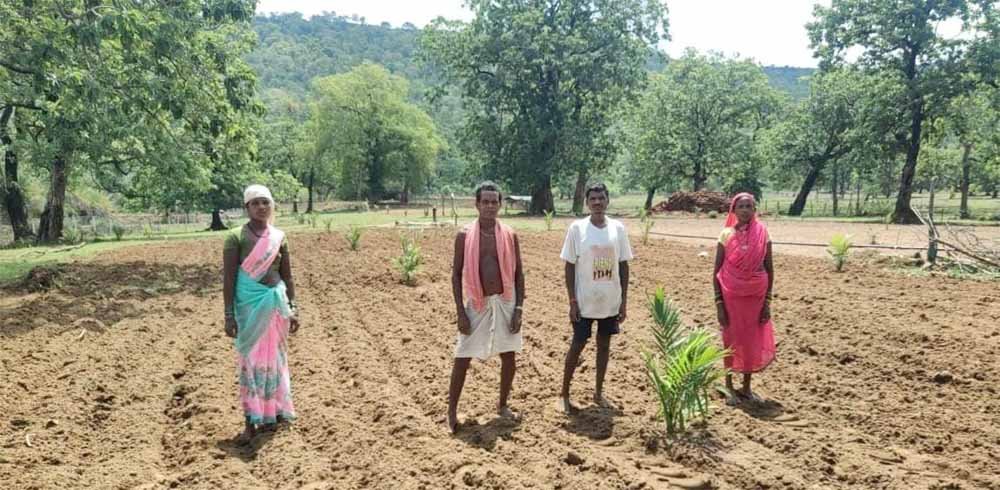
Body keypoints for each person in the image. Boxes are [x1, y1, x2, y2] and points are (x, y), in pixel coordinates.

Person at [223, 185, 300, 443]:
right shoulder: (235, 237)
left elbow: (287, 276)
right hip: (249, 306)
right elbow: (229, 279)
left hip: (276, 306)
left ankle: (275, 414)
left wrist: (294, 308)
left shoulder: (279, 237)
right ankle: (251, 420)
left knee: (276, 361)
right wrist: (229, 315)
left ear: (272, 205)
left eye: (265, 202)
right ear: (246, 207)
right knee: (251, 362)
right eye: (255, 203)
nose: (261, 207)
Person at [447, 181, 525, 434]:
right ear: (477, 204)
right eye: (485, 202)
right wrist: (460, 312)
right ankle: (451, 411)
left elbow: (519, 273)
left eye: (494, 202)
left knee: (509, 355)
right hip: (477, 302)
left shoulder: (510, 235)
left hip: (505, 300)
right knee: (462, 355)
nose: (490, 206)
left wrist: (518, 309)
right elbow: (456, 274)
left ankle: (502, 405)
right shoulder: (464, 235)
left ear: (500, 205)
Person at [558, 182, 633, 414]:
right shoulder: (577, 229)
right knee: (578, 344)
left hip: (609, 300)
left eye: (601, 198)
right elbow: (569, 266)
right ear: (587, 203)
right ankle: (564, 394)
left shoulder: (618, 229)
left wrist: (623, 301)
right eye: (593, 199)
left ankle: (599, 392)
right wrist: (572, 301)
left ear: (607, 200)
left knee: (604, 345)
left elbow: (623, 265)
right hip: (584, 301)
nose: (597, 202)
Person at [713, 192, 775, 405]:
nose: (745, 210)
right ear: (734, 210)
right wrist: (719, 304)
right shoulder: (726, 235)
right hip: (731, 298)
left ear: (754, 209)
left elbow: (769, 269)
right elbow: (717, 272)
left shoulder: (763, 234)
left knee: (751, 340)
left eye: (749, 206)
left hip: (756, 298)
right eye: (741, 206)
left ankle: (746, 387)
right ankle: (728, 386)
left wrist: (767, 302)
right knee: (730, 339)